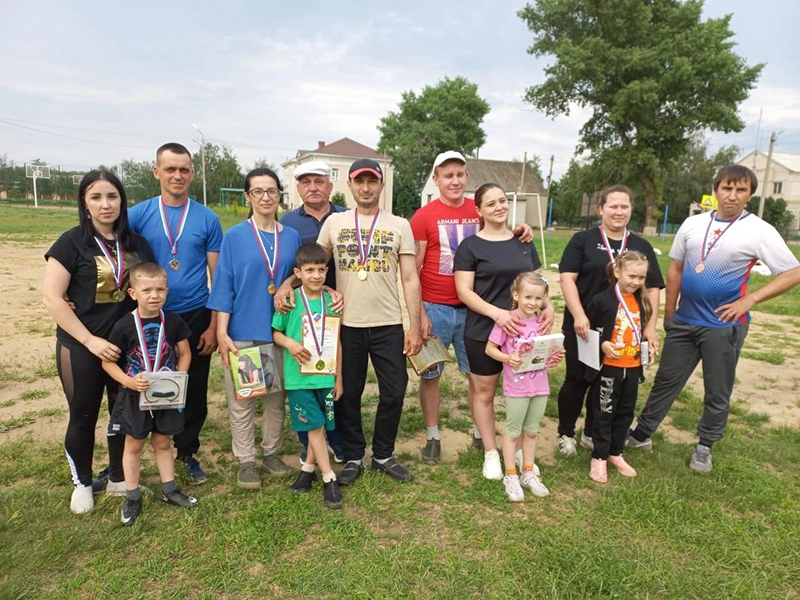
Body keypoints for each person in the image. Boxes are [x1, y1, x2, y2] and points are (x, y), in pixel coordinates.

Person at [627, 165, 800, 473]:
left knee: (717, 389)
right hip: (684, 320)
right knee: (666, 381)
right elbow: (676, 269)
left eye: (740, 190)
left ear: (750, 194)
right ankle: (642, 433)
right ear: (716, 189)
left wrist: (749, 300)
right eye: (726, 188)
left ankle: (705, 445)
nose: (732, 196)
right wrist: (669, 312)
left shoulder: (759, 230)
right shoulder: (693, 224)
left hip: (723, 326)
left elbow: (792, 271)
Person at [411, 151, 544, 464]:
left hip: (477, 312)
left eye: (460, 174)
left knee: (477, 376)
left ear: (467, 177)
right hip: (437, 308)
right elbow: (413, 270)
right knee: (431, 374)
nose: (454, 180)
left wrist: (522, 231)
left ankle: (478, 431)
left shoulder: (479, 209)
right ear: (436, 179)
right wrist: (419, 314)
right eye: (447, 175)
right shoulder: (423, 216)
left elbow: (501, 237)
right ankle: (433, 434)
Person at [43, 169, 154, 514]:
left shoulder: (136, 243)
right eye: (96, 197)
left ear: (122, 200)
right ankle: (82, 483)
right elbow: (53, 298)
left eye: (112, 196)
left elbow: (147, 289)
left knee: (122, 414)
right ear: (84, 203)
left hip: (124, 347)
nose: (106, 205)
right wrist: (90, 341)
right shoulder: (71, 242)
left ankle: (120, 478)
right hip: (82, 346)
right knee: (83, 415)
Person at [316, 158, 422, 485]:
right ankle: (353, 455)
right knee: (348, 394)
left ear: (381, 184)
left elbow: (409, 278)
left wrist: (414, 325)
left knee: (395, 391)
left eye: (371, 181)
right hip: (346, 324)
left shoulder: (399, 224)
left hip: (388, 323)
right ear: (349, 185)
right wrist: (289, 287)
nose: (365, 188)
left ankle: (383, 454)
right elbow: (315, 267)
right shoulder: (334, 223)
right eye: (359, 181)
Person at [128, 143, 223, 484]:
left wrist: (213, 325)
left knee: (192, 388)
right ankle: (131, 451)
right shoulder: (138, 215)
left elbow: (219, 276)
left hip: (195, 314)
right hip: (151, 317)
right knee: (140, 382)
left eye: (184, 169)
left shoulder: (207, 218)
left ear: (192, 174)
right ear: (156, 172)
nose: (177, 175)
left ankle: (187, 452)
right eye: (170, 169)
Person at [208, 168, 302, 488]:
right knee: (244, 399)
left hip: (279, 329)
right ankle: (246, 460)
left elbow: (298, 275)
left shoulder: (290, 235)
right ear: (247, 196)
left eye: (272, 191)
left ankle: (271, 451)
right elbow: (224, 285)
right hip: (244, 328)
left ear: (279, 196)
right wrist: (222, 332)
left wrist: (289, 281)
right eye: (258, 192)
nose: (266, 197)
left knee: (276, 397)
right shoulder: (234, 236)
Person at [556, 185, 664, 456]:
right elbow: (567, 278)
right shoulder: (583, 239)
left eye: (624, 206)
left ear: (631, 210)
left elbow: (652, 288)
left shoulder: (641, 245)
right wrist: (579, 315)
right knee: (577, 379)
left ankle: (593, 433)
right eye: (613, 206)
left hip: (624, 328)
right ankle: (566, 433)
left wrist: (650, 326)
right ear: (600, 209)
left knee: (609, 382)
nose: (619, 211)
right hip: (584, 325)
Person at [454, 183, 545, 481]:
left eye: (503, 201)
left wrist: (549, 308)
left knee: (524, 392)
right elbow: (464, 291)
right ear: (478, 210)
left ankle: (517, 448)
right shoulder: (470, 247)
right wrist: (498, 314)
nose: (499, 207)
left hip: (524, 335)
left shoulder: (523, 241)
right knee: (485, 392)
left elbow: (537, 283)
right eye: (490, 203)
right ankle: (491, 451)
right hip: (483, 331)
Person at [102, 262, 197, 525]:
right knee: (133, 445)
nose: (154, 295)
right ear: (133, 293)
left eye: (160, 290)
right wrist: (128, 382)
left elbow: (185, 353)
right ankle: (132, 496)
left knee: (164, 442)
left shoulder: (174, 321)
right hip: (134, 396)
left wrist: (179, 379)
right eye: (146, 290)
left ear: (167, 291)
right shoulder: (124, 325)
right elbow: (107, 362)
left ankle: (170, 490)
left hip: (167, 395)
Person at [277, 160, 347, 463]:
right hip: (301, 310)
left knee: (332, 377)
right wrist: (284, 287)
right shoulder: (288, 222)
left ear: (330, 185)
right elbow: (285, 264)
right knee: (306, 374)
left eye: (319, 181)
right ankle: (309, 442)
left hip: (336, 306)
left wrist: (333, 289)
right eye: (305, 182)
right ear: (298, 187)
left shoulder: (346, 217)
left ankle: (335, 437)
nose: (313, 187)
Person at [272, 243, 344, 509]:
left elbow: (337, 342)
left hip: (325, 376)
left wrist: (339, 378)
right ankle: (329, 477)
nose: (316, 275)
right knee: (314, 427)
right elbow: (276, 332)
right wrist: (290, 344)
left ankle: (306, 471)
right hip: (299, 378)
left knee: (319, 426)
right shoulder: (291, 301)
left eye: (321, 270)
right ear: (298, 272)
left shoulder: (333, 301)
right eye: (310, 270)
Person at [485, 272, 563, 501]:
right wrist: (508, 359)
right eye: (528, 297)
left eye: (539, 299)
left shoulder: (542, 322)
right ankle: (511, 475)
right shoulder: (508, 320)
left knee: (531, 432)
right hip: (517, 389)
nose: (533, 303)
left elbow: (543, 354)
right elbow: (490, 349)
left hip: (540, 387)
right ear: (516, 295)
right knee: (512, 433)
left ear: (545, 298)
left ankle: (528, 473)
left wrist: (553, 357)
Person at [584, 251, 652, 483]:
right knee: (604, 412)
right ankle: (599, 456)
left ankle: (615, 453)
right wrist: (602, 343)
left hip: (632, 368)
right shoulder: (601, 300)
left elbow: (639, 331)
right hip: (608, 369)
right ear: (617, 272)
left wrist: (645, 350)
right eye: (632, 276)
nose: (636, 282)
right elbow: (588, 329)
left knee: (625, 412)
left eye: (641, 278)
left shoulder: (642, 301)